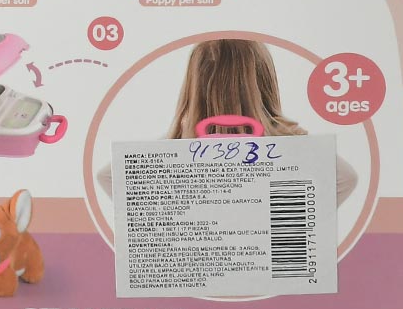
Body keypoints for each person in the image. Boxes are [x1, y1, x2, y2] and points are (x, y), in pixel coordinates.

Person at [98, 37, 358, 204]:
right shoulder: (293, 146)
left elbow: (107, 176)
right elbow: (346, 178)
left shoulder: (175, 148)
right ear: (264, 84)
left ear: (194, 88)